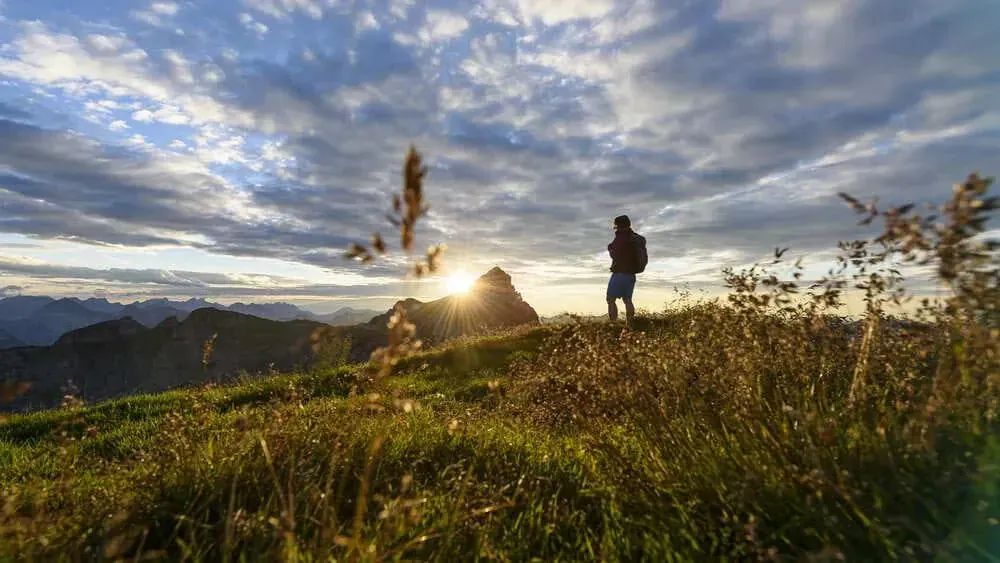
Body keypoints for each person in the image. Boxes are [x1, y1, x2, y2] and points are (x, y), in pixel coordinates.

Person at [606, 214, 645, 324]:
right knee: (627, 300)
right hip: (631, 275)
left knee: (610, 300)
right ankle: (630, 324)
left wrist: (610, 249)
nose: (615, 228)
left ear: (619, 225)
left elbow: (615, 255)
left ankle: (613, 324)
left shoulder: (621, 237)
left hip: (620, 273)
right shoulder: (634, 237)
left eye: (616, 225)